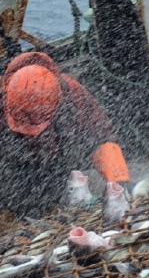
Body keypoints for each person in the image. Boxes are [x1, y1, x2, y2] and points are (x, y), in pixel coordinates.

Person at [0, 52, 130, 217]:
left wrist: (116, 181)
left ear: (57, 101)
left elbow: (103, 139)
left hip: (56, 170)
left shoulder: (72, 94)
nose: (33, 132)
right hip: (12, 177)